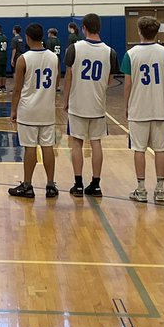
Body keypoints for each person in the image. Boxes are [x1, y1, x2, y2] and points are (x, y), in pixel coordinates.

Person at [123, 16, 164, 204]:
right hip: (160, 108)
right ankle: (160, 190)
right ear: (157, 31)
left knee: (139, 149)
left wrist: (127, 105)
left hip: (139, 109)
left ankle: (141, 189)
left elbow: (127, 84)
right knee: (161, 149)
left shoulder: (131, 54)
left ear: (139, 32)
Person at [63, 12, 114, 198]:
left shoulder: (74, 49)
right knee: (96, 143)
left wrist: (65, 99)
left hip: (78, 104)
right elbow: (110, 80)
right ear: (98, 27)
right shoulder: (110, 51)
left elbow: (68, 77)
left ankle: (78, 184)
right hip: (98, 105)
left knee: (76, 143)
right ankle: (96, 184)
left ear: (83, 28)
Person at [9, 23, 60, 199]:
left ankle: (28, 185)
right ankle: (51, 185)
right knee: (48, 147)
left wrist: (13, 110)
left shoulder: (23, 59)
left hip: (28, 109)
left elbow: (16, 89)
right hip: (47, 109)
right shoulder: (54, 57)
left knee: (29, 149)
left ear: (28, 38)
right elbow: (56, 84)